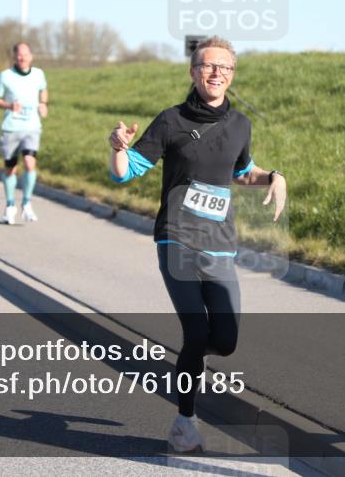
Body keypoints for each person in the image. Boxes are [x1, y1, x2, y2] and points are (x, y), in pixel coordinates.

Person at [108, 36, 287, 453]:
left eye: (225, 68)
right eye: (208, 66)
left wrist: (273, 176)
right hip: (177, 241)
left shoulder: (240, 124)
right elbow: (125, 171)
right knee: (195, 331)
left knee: (224, 340)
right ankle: (184, 423)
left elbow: (240, 171)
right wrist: (117, 146)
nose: (216, 74)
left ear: (232, 75)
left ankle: (190, 358)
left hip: (221, 245)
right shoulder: (170, 121)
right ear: (193, 72)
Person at [0, 43, 48, 223]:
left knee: (30, 163)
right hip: (11, 127)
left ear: (31, 56)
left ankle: (27, 203)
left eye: (25, 55)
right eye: (19, 55)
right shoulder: (6, 76)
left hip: (32, 126)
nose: (22, 58)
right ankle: (9, 205)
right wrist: (9, 106)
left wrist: (43, 103)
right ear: (14, 57)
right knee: (11, 168)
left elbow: (43, 90)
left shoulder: (38, 74)